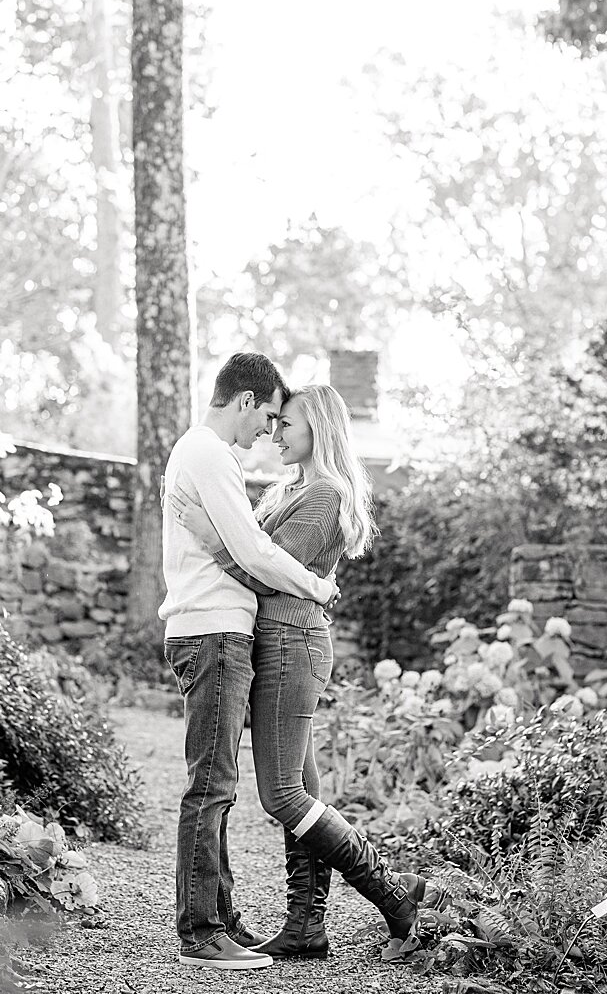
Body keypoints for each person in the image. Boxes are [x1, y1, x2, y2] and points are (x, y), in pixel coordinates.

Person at [168, 383, 441, 964]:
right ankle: (305, 926)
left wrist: (212, 539)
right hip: (278, 644)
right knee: (304, 789)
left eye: (286, 424)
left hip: (294, 644)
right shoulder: (288, 488)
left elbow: (268, 573)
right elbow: (260, 554)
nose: (275, 433)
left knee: (283, 796)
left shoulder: (325, 494)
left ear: (317, 427)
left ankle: (395, 897)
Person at [159, 353, 341, 971]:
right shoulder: (209, 454)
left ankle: (219, 915)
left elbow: (248, 548)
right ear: (244, 401)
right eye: (267, 416)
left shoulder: (211, 456)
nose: (267, 431)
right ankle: (201, 931)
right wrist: (316, 587)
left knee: (223, 785)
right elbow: (254, 552)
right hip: (212, 630)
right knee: (212, 786)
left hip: (223, 630)